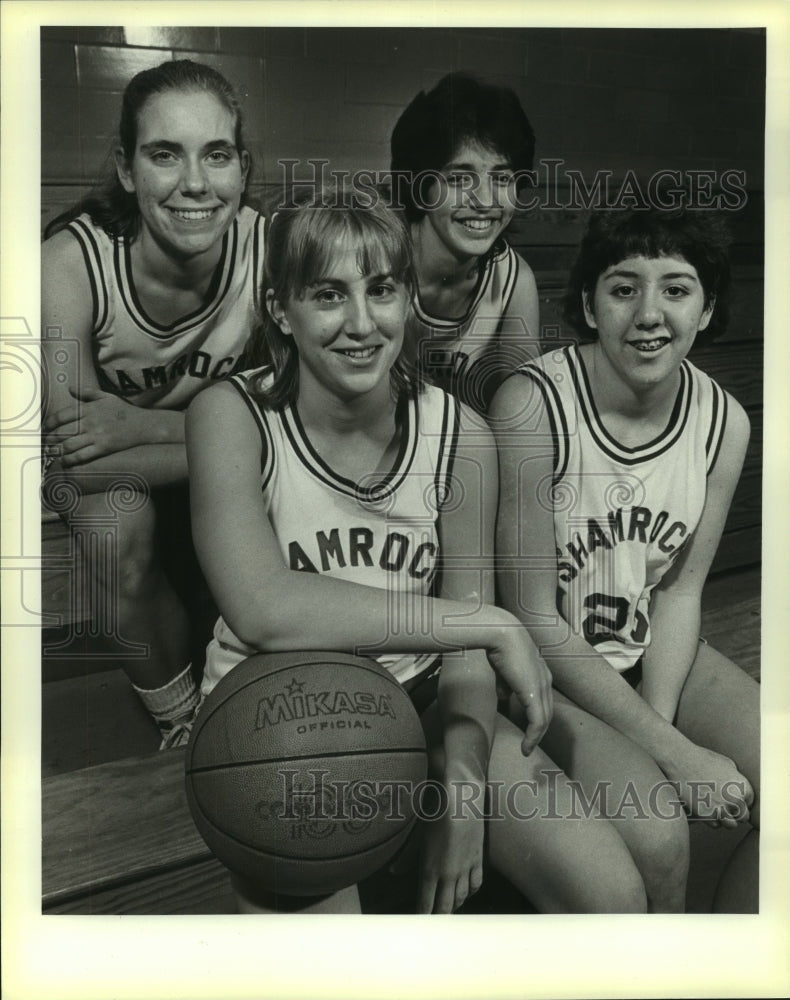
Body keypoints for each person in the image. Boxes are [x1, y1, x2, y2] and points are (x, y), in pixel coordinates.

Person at [185, 189, 650, 915]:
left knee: (611, 892)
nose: (362, 323)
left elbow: (461, 662)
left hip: (424, 696)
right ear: (281, 309)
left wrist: (464, 785)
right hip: (279, 713)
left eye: (382, 290)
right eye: (328, 294)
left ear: (408, 299)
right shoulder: (230, 415)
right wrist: (490, 623)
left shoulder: (461, 437)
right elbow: (262, 605)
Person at [490, 208, 759, 912]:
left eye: (676, 289)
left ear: (707, 311)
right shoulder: (531, 404)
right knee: (661, 838)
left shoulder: (723, 420)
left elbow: (678, 592)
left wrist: (659, 726)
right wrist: (671, 754)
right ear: (587, 305)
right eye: (622, 288)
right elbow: (530, 614)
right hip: (545, 669)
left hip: (647, 647)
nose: (649, 313)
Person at [41, 60, 265, 748]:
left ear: (242, 169)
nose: (195, 183)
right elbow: (80, 454)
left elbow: (302, 416)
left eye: (216, 155)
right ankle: (180, 722)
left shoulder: (269, 246)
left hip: (170, 450)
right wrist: (241, 445)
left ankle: (275, 692)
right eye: (165, 154)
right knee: (120, 524)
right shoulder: (68, 265)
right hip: (117, 474)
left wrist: (138, 422)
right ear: (128, 169)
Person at [390, 72, 540, 415]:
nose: (485, 200)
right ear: (420, 186)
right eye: (459, 178)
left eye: (502, 178)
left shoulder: (514, 280)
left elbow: (523, 409)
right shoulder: (380, 260)